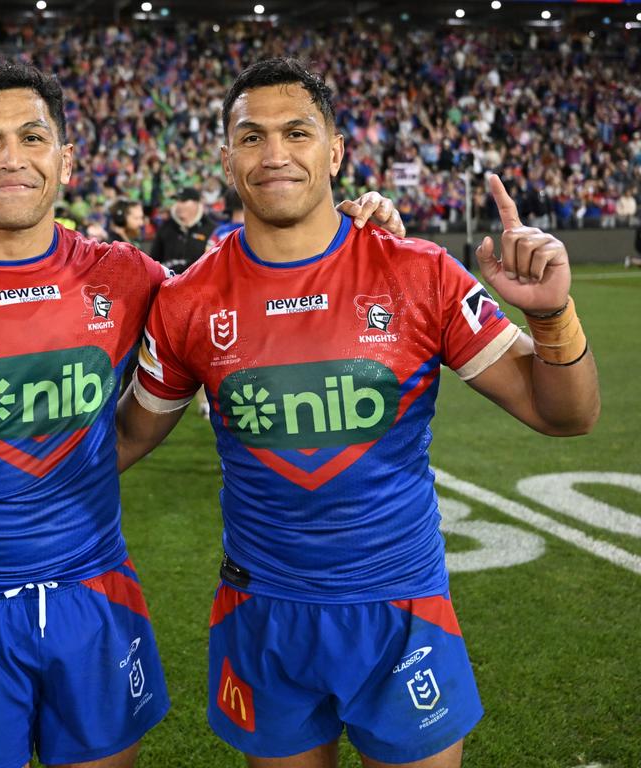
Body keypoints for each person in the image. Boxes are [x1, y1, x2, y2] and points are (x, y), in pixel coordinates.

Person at [0, 59, 404, 768]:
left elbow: (256, 291)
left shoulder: (127, 278)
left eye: (33, 138)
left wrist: (356, 240)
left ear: (65, 160)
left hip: (94, 602)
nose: (12, 159)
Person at [116, 58, 599, 768]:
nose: (274, 153)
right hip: (264, 608)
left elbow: (566, 416)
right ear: (225, 157)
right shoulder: (188, 301)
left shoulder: (419, 271)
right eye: (251, 137)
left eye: (297, 132)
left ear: (335, 150)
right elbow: (128, 435)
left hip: (401, 607)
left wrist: (553, 315)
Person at [148, 187, 216, 273]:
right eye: (177, 201)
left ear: (196, 203)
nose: (178, 205)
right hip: (169, 283)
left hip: (199, 283)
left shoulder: (211, 229)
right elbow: (154, 260)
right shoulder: (165, 227)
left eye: (183, 201)